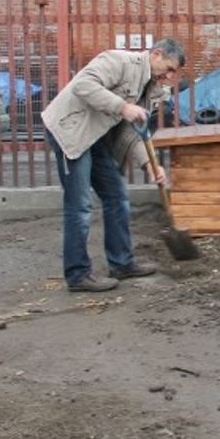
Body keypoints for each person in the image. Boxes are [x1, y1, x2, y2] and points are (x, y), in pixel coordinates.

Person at [42, 37, 187, 292]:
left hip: (96, 136)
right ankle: (78, 275)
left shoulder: (151, 90)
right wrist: (122, 107)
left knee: (117, 195)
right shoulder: (119, 61)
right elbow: (83, 85)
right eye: (170, 68)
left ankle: (121, 263)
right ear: (157, 54)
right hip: (70, 131)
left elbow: (132, 132)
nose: (169, 76)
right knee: (80, 206)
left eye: (174, 73)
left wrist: (148, 165)